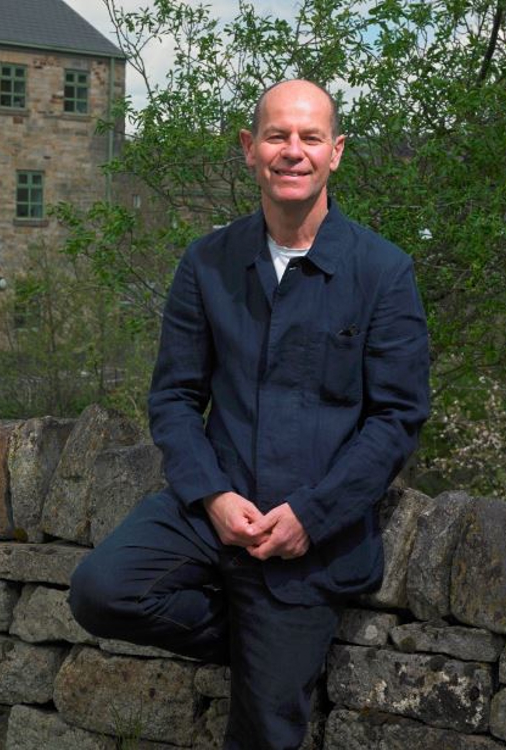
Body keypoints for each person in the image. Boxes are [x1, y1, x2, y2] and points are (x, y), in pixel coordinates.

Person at [69, 79, 430, 749]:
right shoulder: (207, 262)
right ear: (248, 148)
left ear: (336, 152)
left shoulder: (383, 272)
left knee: (263, 733)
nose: (293, 151)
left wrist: (311, 517)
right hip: (214, 513)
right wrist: (211, 496)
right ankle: (263, 647)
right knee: (100, 591)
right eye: (277, 136)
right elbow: (174, 399)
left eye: (310, 137)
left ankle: (273, 656)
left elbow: (397, 420)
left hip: (311, 539)